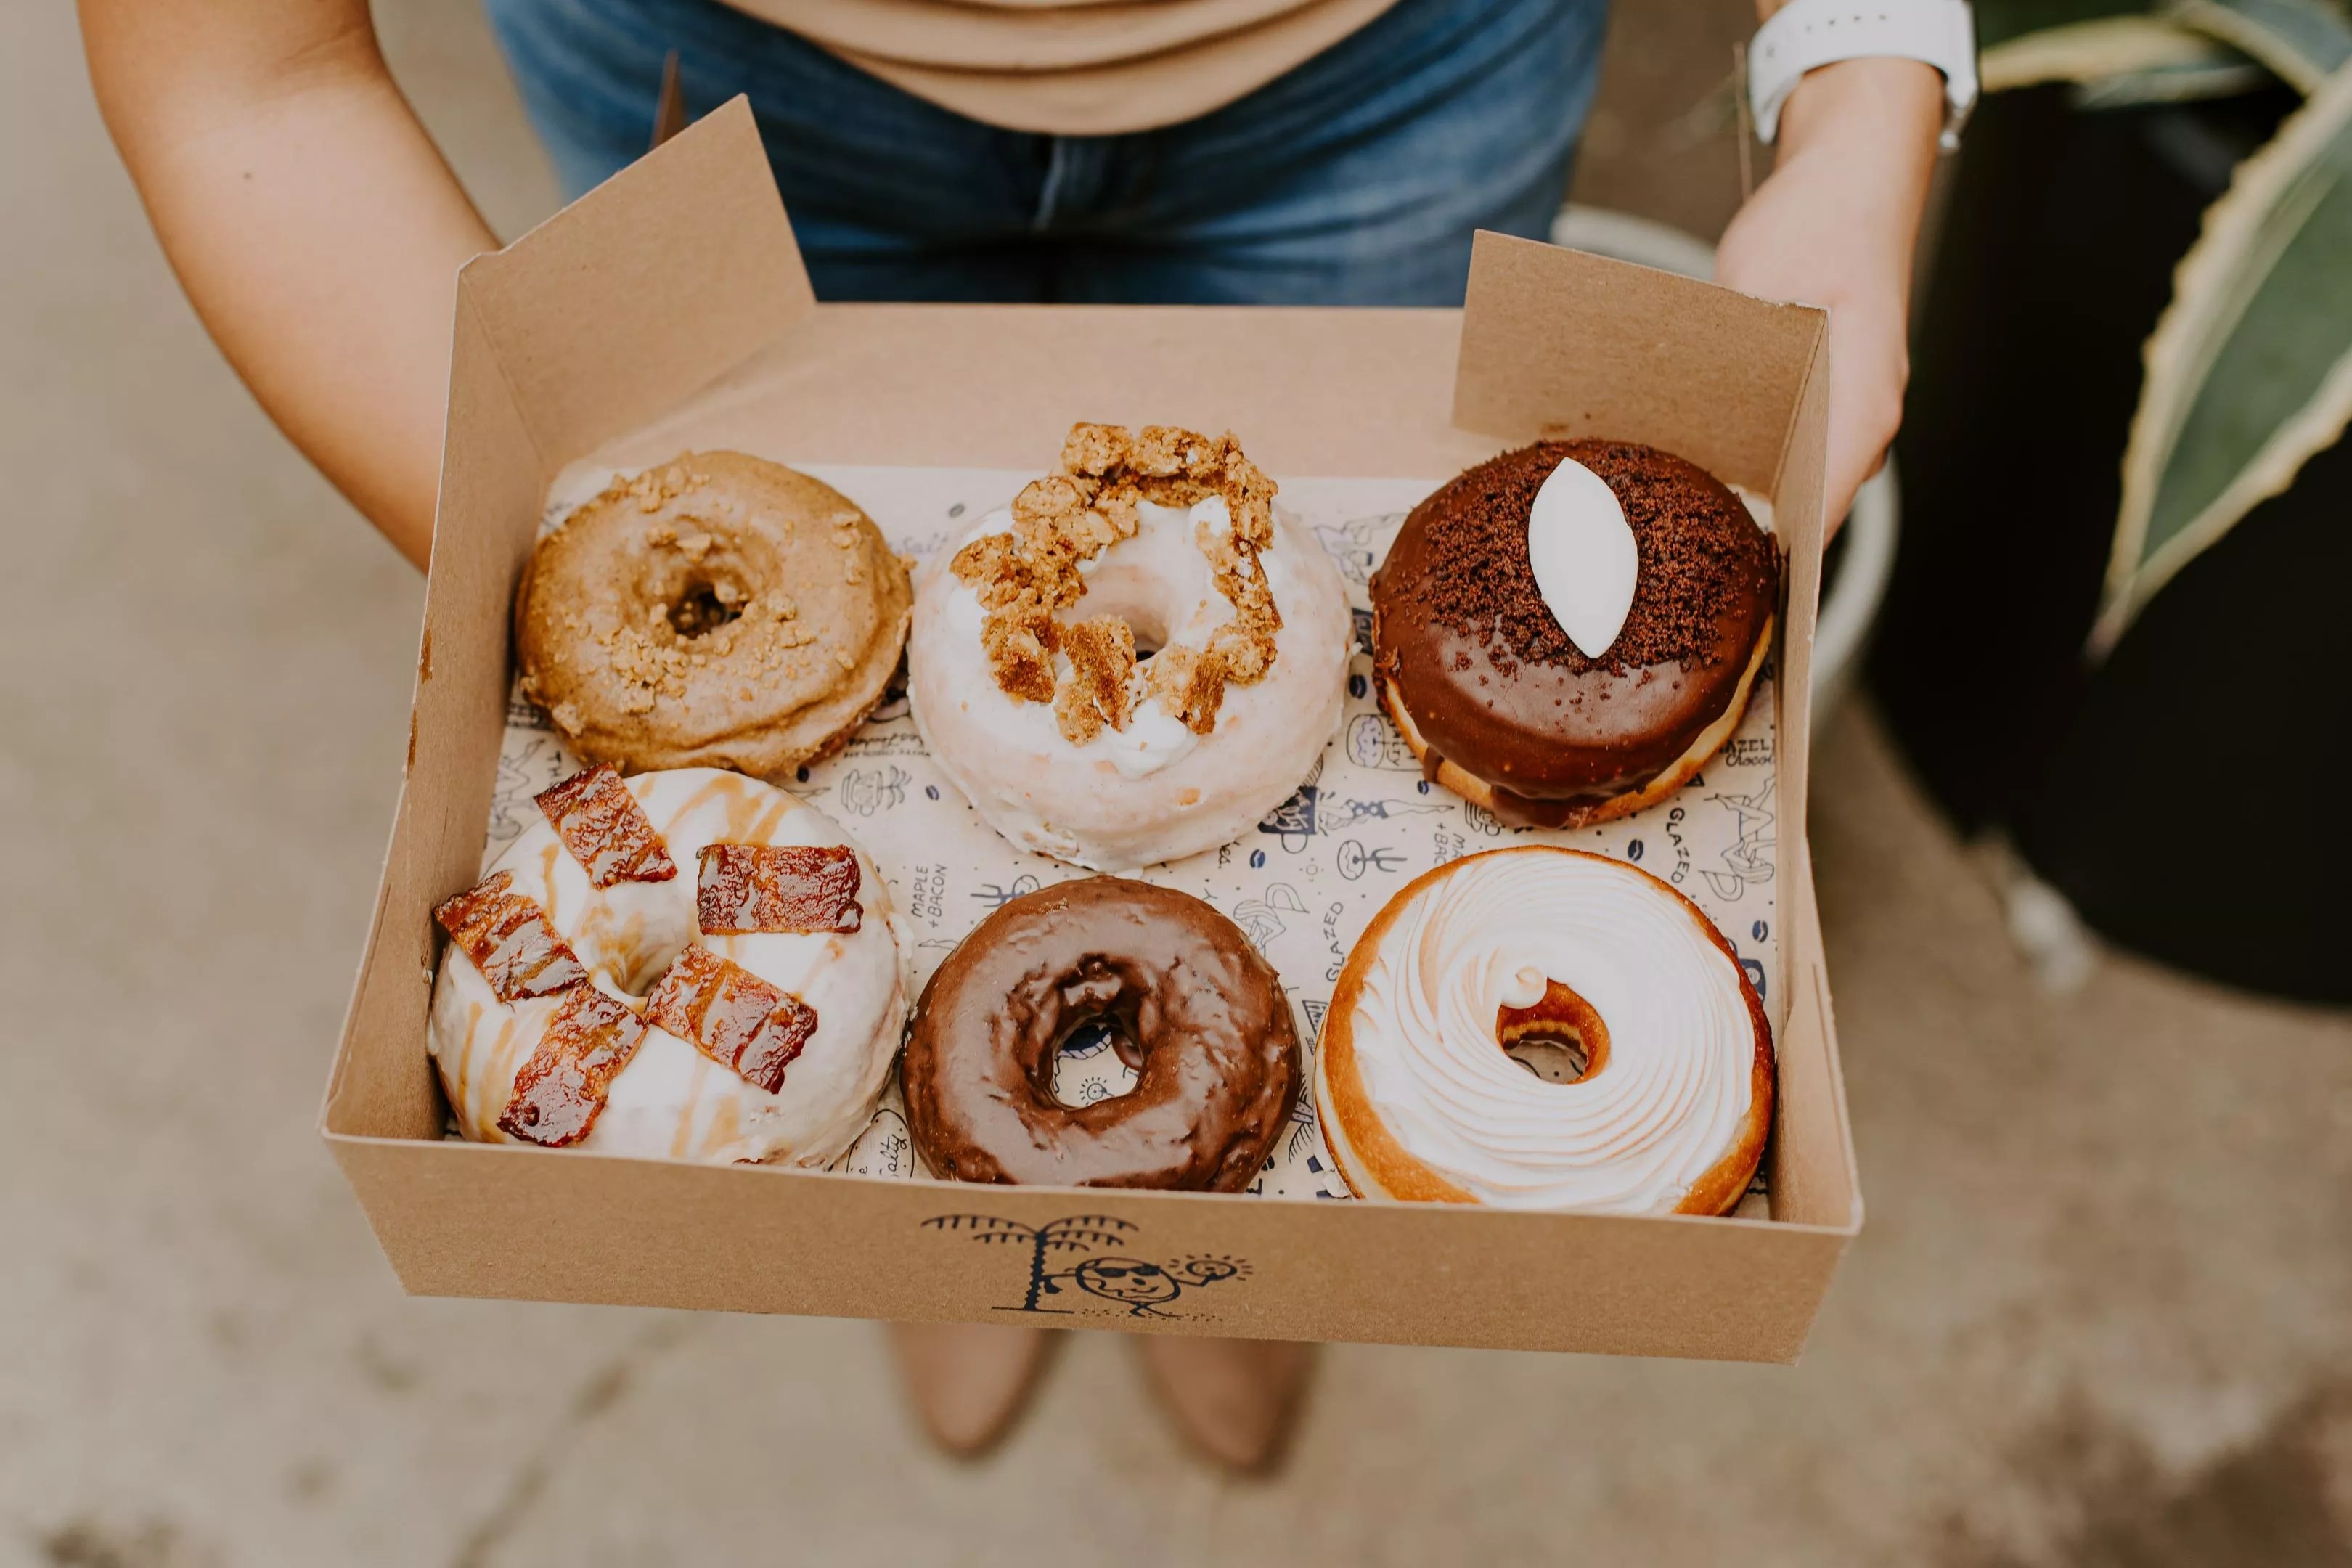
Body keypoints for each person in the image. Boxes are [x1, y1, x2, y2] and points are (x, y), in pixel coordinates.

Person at [79, 0, 1946, 1469]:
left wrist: (1862, 94)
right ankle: (943, 1194)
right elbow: (243, 70)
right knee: (867, 1084)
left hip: (1401, 67)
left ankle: (1235, 1265)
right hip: (723, 85)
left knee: (1233, 1187)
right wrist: (546, 556)